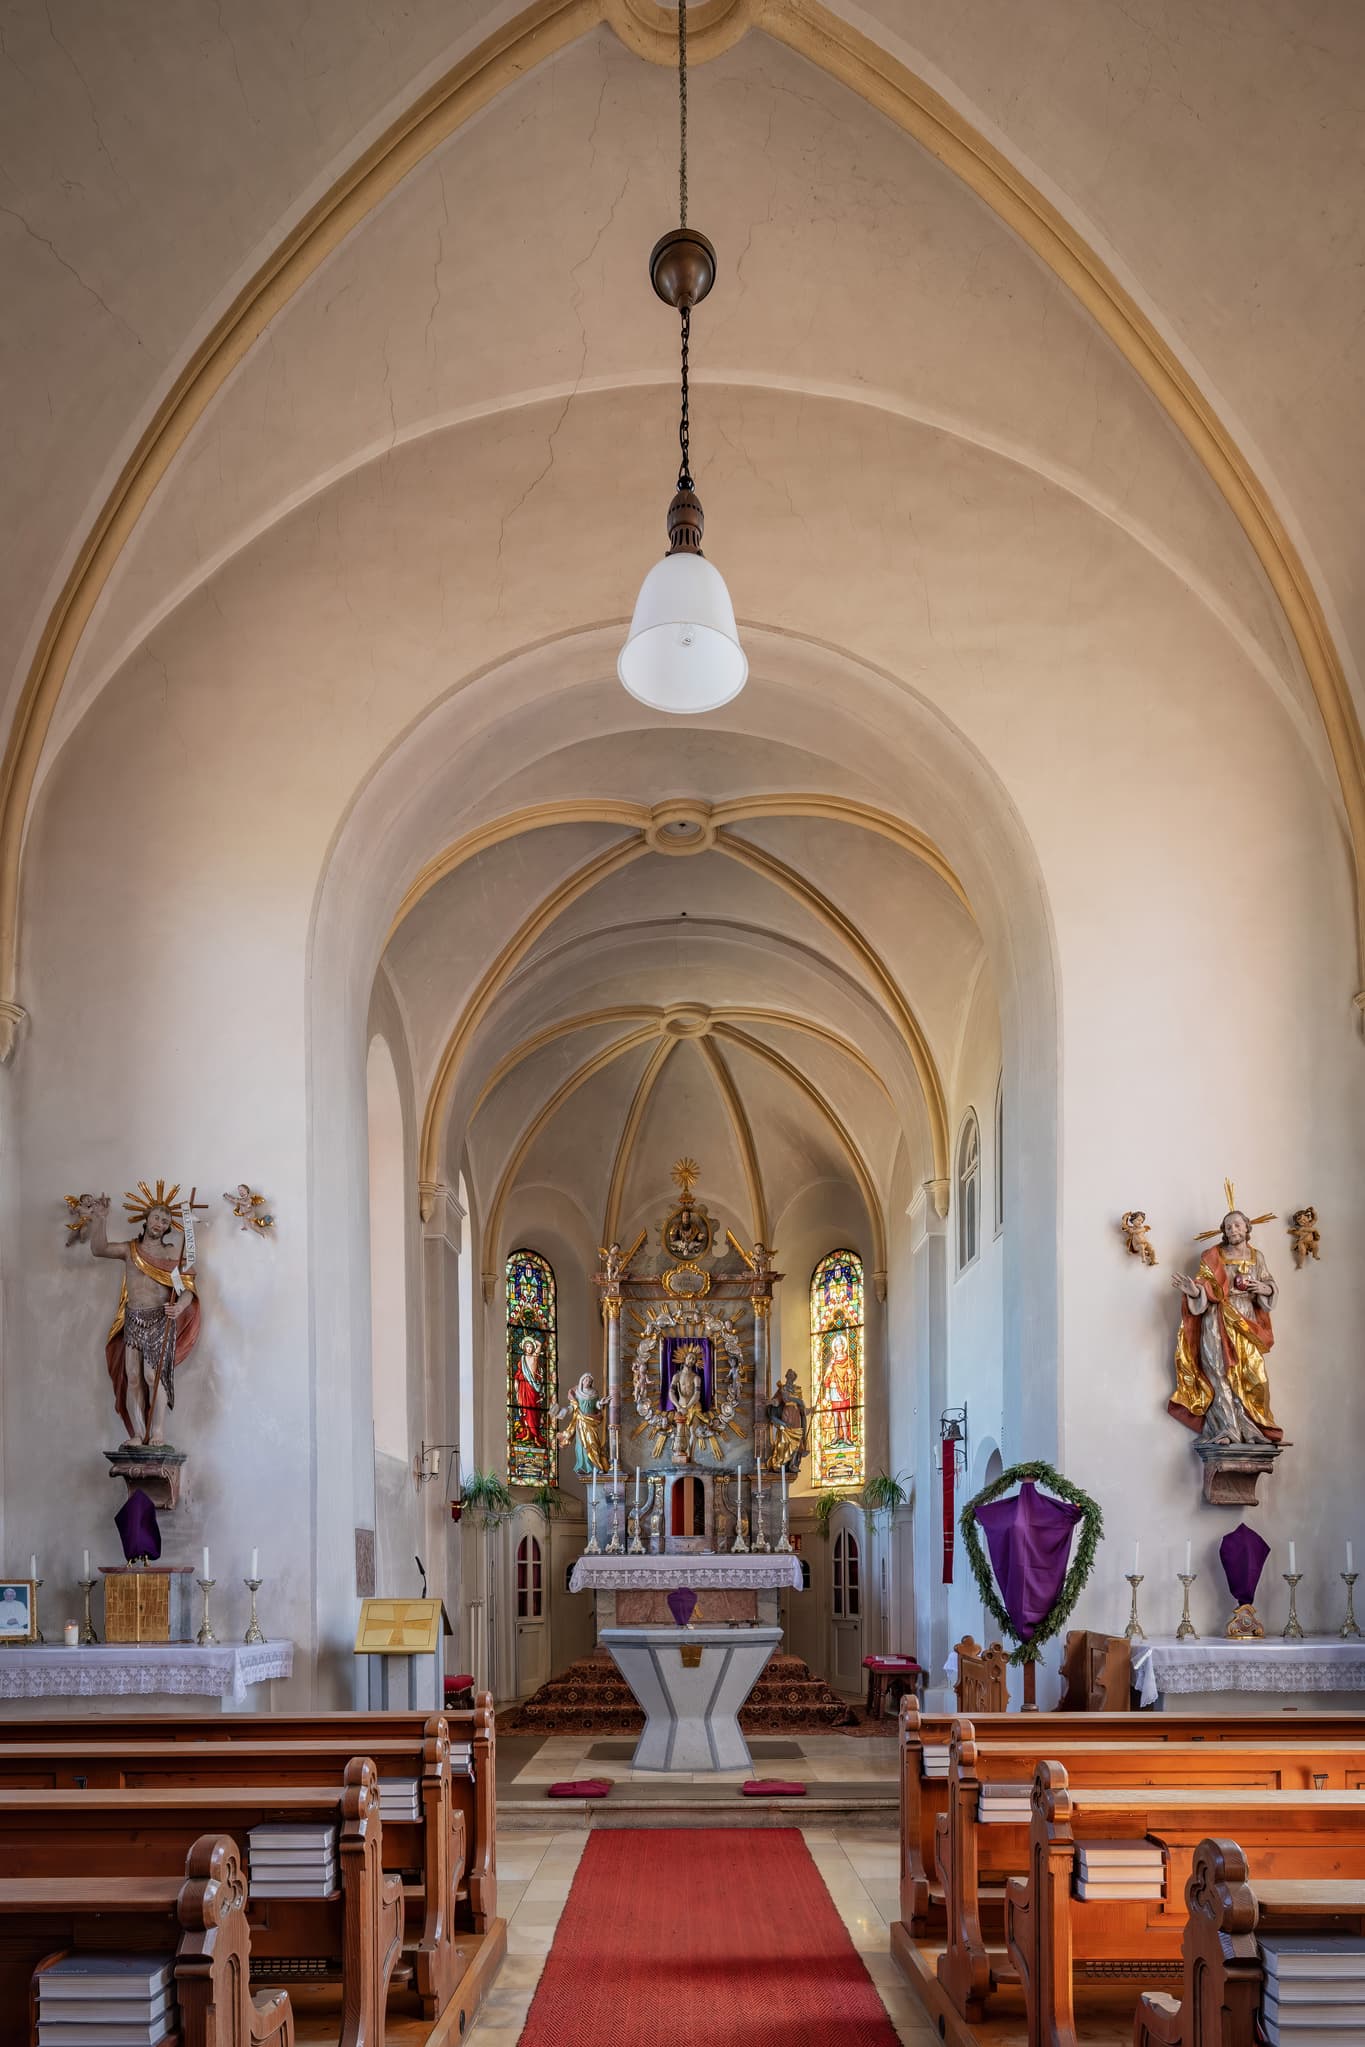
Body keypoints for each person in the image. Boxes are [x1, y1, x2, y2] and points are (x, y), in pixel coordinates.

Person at [86, 1192, 201, 1447]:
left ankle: (157, 1431)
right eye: (156, 1218)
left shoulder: (173, 1255)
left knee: (153, 1376)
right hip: (134, 1319)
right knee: (133, 1376)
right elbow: (99, 1249)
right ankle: (138, 1434)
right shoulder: (131, 1250)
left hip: (161, 1319)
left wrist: (180, 1307)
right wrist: (100, 1219)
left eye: (165, 1220)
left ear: (168, 1227)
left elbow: (188, 1289)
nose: (160, 1223)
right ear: (146, 1220)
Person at [1170, 1210, 1281, 1445]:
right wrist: (1194, 1291)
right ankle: (1227, 1428)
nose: (1233, 1230)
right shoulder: (1212, 1255)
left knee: (1253, 1376)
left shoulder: (1256, 1257)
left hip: (1246, 1319)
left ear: (1247, 1228)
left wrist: (1264, 1288)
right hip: (1216, 1318)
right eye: (1228, 1227)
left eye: (1237, 1226)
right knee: (1218, 1373)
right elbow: (1204, 1285)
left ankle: (1251, 1428)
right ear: (1224, 1230)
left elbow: (1269, 1283)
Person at [555, 1372, 608, 1475]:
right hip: (580, 1422)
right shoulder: (578, 1393)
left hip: (590, 1421)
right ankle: (583, 1466)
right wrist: (563, 1411)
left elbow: (596, 1405)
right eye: (586, 1380)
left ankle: (596, 1466)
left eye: (589, 1381)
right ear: (582, 1381)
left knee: (593, 1443)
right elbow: (573, 1407)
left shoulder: (594, 1393)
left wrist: (601, 1403)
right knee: (581, 1444)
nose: (587, 1382)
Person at [820, 1330, 856, 1448]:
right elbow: (827, 1376)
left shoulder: (848, 1360)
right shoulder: (833, 1361)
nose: (838, 1347)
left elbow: (853, 1377)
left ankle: (845, 1437)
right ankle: (836, 1436)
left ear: (843, 1346)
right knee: (835, 1415)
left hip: (844, 1390)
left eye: (840, 1345)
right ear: (834, 1347)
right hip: (834, 1389)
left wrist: (850, 1374)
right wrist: (827, 1390)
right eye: (836, 1345)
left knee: (843, 1416)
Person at [511, 1334, 547, 1449]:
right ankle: (527, 1433)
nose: (529, 1348)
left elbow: (540, 1345)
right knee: (525, 1411)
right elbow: (518, 1374)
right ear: (524, 1348)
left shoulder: (534, 1357)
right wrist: (517, 1381)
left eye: (530, 1346)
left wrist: (532, 1340)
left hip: (533, 1389)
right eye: (527, 1346)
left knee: (533, 1412)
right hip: (523, 1389)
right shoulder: (521, 1359)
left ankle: (536, 1436)